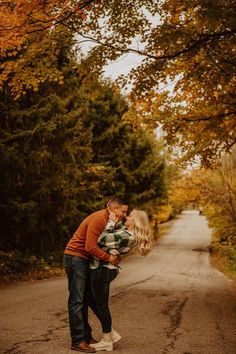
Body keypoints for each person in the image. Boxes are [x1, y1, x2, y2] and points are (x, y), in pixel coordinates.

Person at [63, 198, 128, 353]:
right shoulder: (99, 218)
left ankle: (86, 336)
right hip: (75, 257)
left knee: (85, 298)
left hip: (84, 260)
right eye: (123, 211)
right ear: (112, 208)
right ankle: (78, 341)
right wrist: (109, 258)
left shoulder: (110, 221)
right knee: (77, 300)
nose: (125, 215)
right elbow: (90, 246)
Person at [89, 208, 153, 352]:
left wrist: (111, 222)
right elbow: (112, 234)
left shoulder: (128, 236)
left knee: (101, 305)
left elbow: (101, 239)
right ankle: (110, 333)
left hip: (103, 270)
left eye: (130, 216)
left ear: (135, 221)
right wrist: (114, 223)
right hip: (102, 269)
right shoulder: (125, 232)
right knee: (92, 299)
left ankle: (107, 340)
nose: (127, 217)